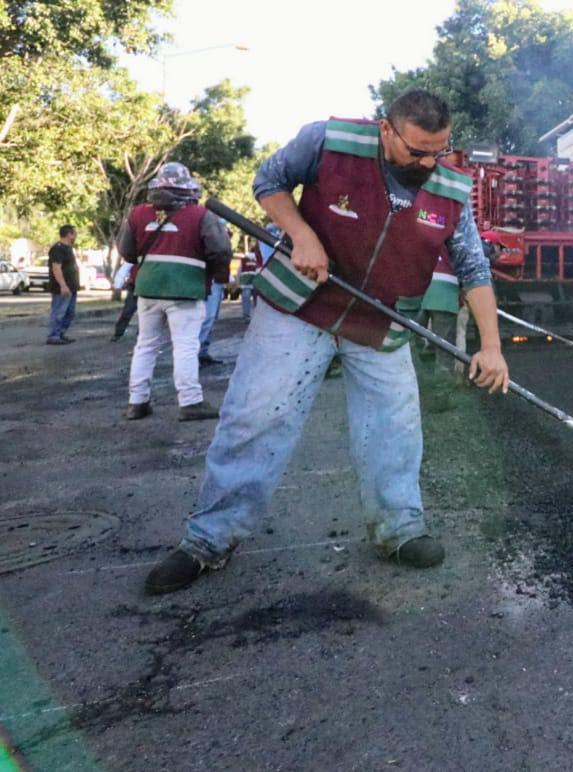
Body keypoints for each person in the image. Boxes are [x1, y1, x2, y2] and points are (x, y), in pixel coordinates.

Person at [143, 89, 510, 595]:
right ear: (387, 130)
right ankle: (209, 538)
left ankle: (398, 528)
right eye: (417, 151)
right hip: (300, 306)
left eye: (439, 151)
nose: (428, 162)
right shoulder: (329, 141)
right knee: (258, 417)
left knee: (395, 428)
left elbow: (473, 268)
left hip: (380, 324)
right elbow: (268, 180)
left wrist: (490, 347)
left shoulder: (450, 188)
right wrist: (301, 233)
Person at [118, 161, 229, 422]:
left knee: (145, 345)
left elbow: (127, 252)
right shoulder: (201, 215)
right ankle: (190, 402)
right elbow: (221, 251)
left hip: (147, 290)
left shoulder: (136, 214)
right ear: (187, 188)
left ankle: (137, 402)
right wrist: (214, 272)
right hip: (186, 290)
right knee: (186, 346)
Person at [197, 233, 229, 365]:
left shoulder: (219, 231)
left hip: (217, 278)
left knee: (212, 317)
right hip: (209, 278)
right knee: (207, 317)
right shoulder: (209, 229)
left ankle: (202, 352)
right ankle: (195, 354)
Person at [46, 225, 79, 345]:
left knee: (70, 312)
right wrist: (63, 285)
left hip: (72, 287)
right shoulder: (58, 248)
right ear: (69, 234)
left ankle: (61, 333)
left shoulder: (68, 248)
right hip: (62, 287)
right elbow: (56, 268)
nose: (76, 235)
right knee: (59, 311)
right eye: (74, 233)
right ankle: (53, 335)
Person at [110, 262, 137, 341]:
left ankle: (142, 334)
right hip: (134, 287)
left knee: (147, 313)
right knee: (127, 311)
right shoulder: (135, 256)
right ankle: (118, 333)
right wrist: (118, 284)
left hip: (147, 287)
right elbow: (125, 269)